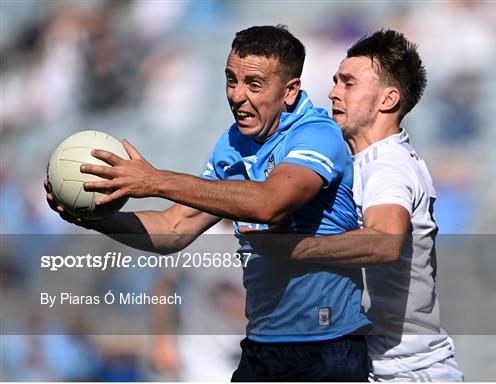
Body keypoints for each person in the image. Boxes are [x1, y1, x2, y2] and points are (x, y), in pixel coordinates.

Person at [44, 25, 371, 381]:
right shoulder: (232, 145)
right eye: (232, 80)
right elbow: (174, 229)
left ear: (290, 91)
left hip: (325, 344)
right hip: (264, 343)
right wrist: (92, 218)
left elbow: (271, 203)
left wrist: (155, 180)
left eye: (254, 84)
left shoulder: (317, 135)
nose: (237, 95)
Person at [244, 30, 464, 381]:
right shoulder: (356, 161)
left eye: (348, 83)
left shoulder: (388, 164)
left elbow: (385, 242)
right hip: (368, 365)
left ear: (387, 99)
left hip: (407, 371)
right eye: (335, 81)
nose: (333, 92)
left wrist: (292, 248)